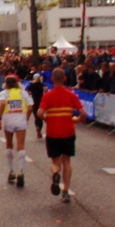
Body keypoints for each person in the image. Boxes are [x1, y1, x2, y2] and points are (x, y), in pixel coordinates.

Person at [38, 68, 84, 204]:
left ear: (52, 79)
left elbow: (40, 113)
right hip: (68, 131)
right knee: (67, 162)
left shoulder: (48, 95)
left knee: (55, 162)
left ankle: (55, 173)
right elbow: (83, 113)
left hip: (53, 132)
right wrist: (75, 119)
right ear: (64, 79)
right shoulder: (71, 95)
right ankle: (65, 192)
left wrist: (47, 118)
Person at [0, 75, 33, 187]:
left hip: (8, 120)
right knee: (21, 145)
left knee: (9, 144)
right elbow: (31, 107)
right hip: (20, 120)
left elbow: (2, 103)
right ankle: (21, 171)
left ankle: (11, 171)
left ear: (6, 84)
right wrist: (26, 117)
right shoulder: (23, 93)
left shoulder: (4, 93)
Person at [28, 73, 46, 139]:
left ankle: (37, 127)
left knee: (36, 116)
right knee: (40, 116)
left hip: (34, 101)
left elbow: (28, 91)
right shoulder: (41, 84)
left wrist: (31, 94)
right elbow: (46, 90)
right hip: (40, 102)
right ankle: (39, 128)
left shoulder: (32, 84)